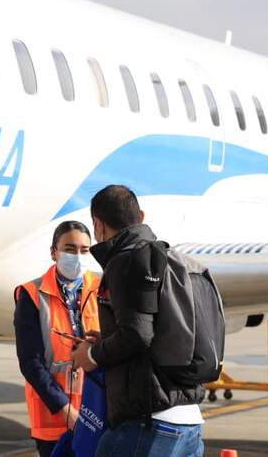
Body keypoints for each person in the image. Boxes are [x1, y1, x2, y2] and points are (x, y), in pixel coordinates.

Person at [71, 185, 204, 457]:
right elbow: (154, 331)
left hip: (148, 423)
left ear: (97, 224)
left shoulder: (126, 259)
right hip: (189, 420)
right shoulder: (171, 258)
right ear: (140, 216)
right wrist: (109, 340)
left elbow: (138, 335)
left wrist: (92, 354)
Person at [14, 221, 101, 457]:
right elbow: (30, 363)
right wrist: (67, 411)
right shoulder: (32, 294)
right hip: (52, 417)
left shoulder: (102, 289)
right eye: (70, 249)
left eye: (84, 250)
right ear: (54, 252)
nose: (78, 256)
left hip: (96, 414)